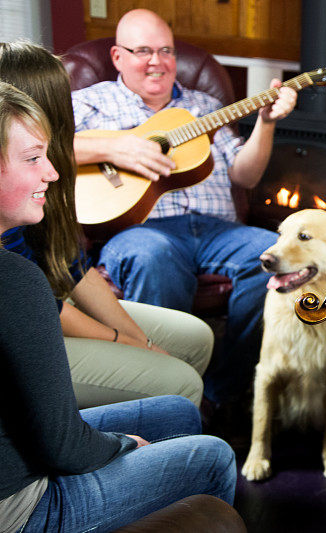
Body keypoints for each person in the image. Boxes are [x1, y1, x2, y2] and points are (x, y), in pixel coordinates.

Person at [0, 80, 235, 533]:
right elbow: (64, 447)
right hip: (21, 505)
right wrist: (123, 445)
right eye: (33, 159)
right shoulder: (14, 280)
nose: (51, 173)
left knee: (178, 412)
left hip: (23, 449)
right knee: (213, 458)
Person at [71, 9, 298, 405]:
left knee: (278, 256)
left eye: (166, 50)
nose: (157, 61)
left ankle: (219, 397)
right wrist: (114, 146)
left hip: (217, 230)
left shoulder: (205, 105)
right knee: (153, 255)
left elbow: (244, 177)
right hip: (139, 230)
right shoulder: (90, 102)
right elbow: (48, 148)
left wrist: (265, 122)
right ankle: (158, 397)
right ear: (117, 57)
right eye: (143, 51)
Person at [0, 40, 213, 409]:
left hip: (48, 305)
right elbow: (40, 305)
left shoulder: (49, 165)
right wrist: (126, 343)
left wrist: (141, 341)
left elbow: (71, 265)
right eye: (63, 99)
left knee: (197, 338)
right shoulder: (16, 185)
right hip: (28, 332)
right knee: (180, 382)